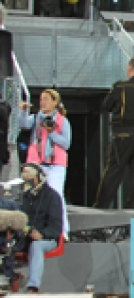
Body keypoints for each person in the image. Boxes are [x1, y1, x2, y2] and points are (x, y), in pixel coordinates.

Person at [93, 57, 134, 209]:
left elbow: (107, 105)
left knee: (114, 169)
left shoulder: (121, 87)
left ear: (130, 68)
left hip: (123, 134)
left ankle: (102, 205)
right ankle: (133, 206)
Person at [18, 89, 71, 235]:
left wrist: (51, 132)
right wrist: (22, 112)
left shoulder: (62, 121)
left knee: (56, 194)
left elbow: (66, 143)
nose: (43, 102)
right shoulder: (36, 118)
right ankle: (28, 229)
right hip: (37, 163)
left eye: (46, 99)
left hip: (55, 164)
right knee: (31, 194)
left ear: (55, 102)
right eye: (41, 99)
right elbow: (23, 125)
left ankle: (63, 231)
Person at [18, 163, 63, 294]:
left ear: (38, 176)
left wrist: (42, 234)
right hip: (24, 238)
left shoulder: (52, 196)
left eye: (28, 174)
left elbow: (56, 226)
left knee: (36, 246)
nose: (25, 177)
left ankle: (33, 287)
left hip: (47, 239)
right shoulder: (23, 197)